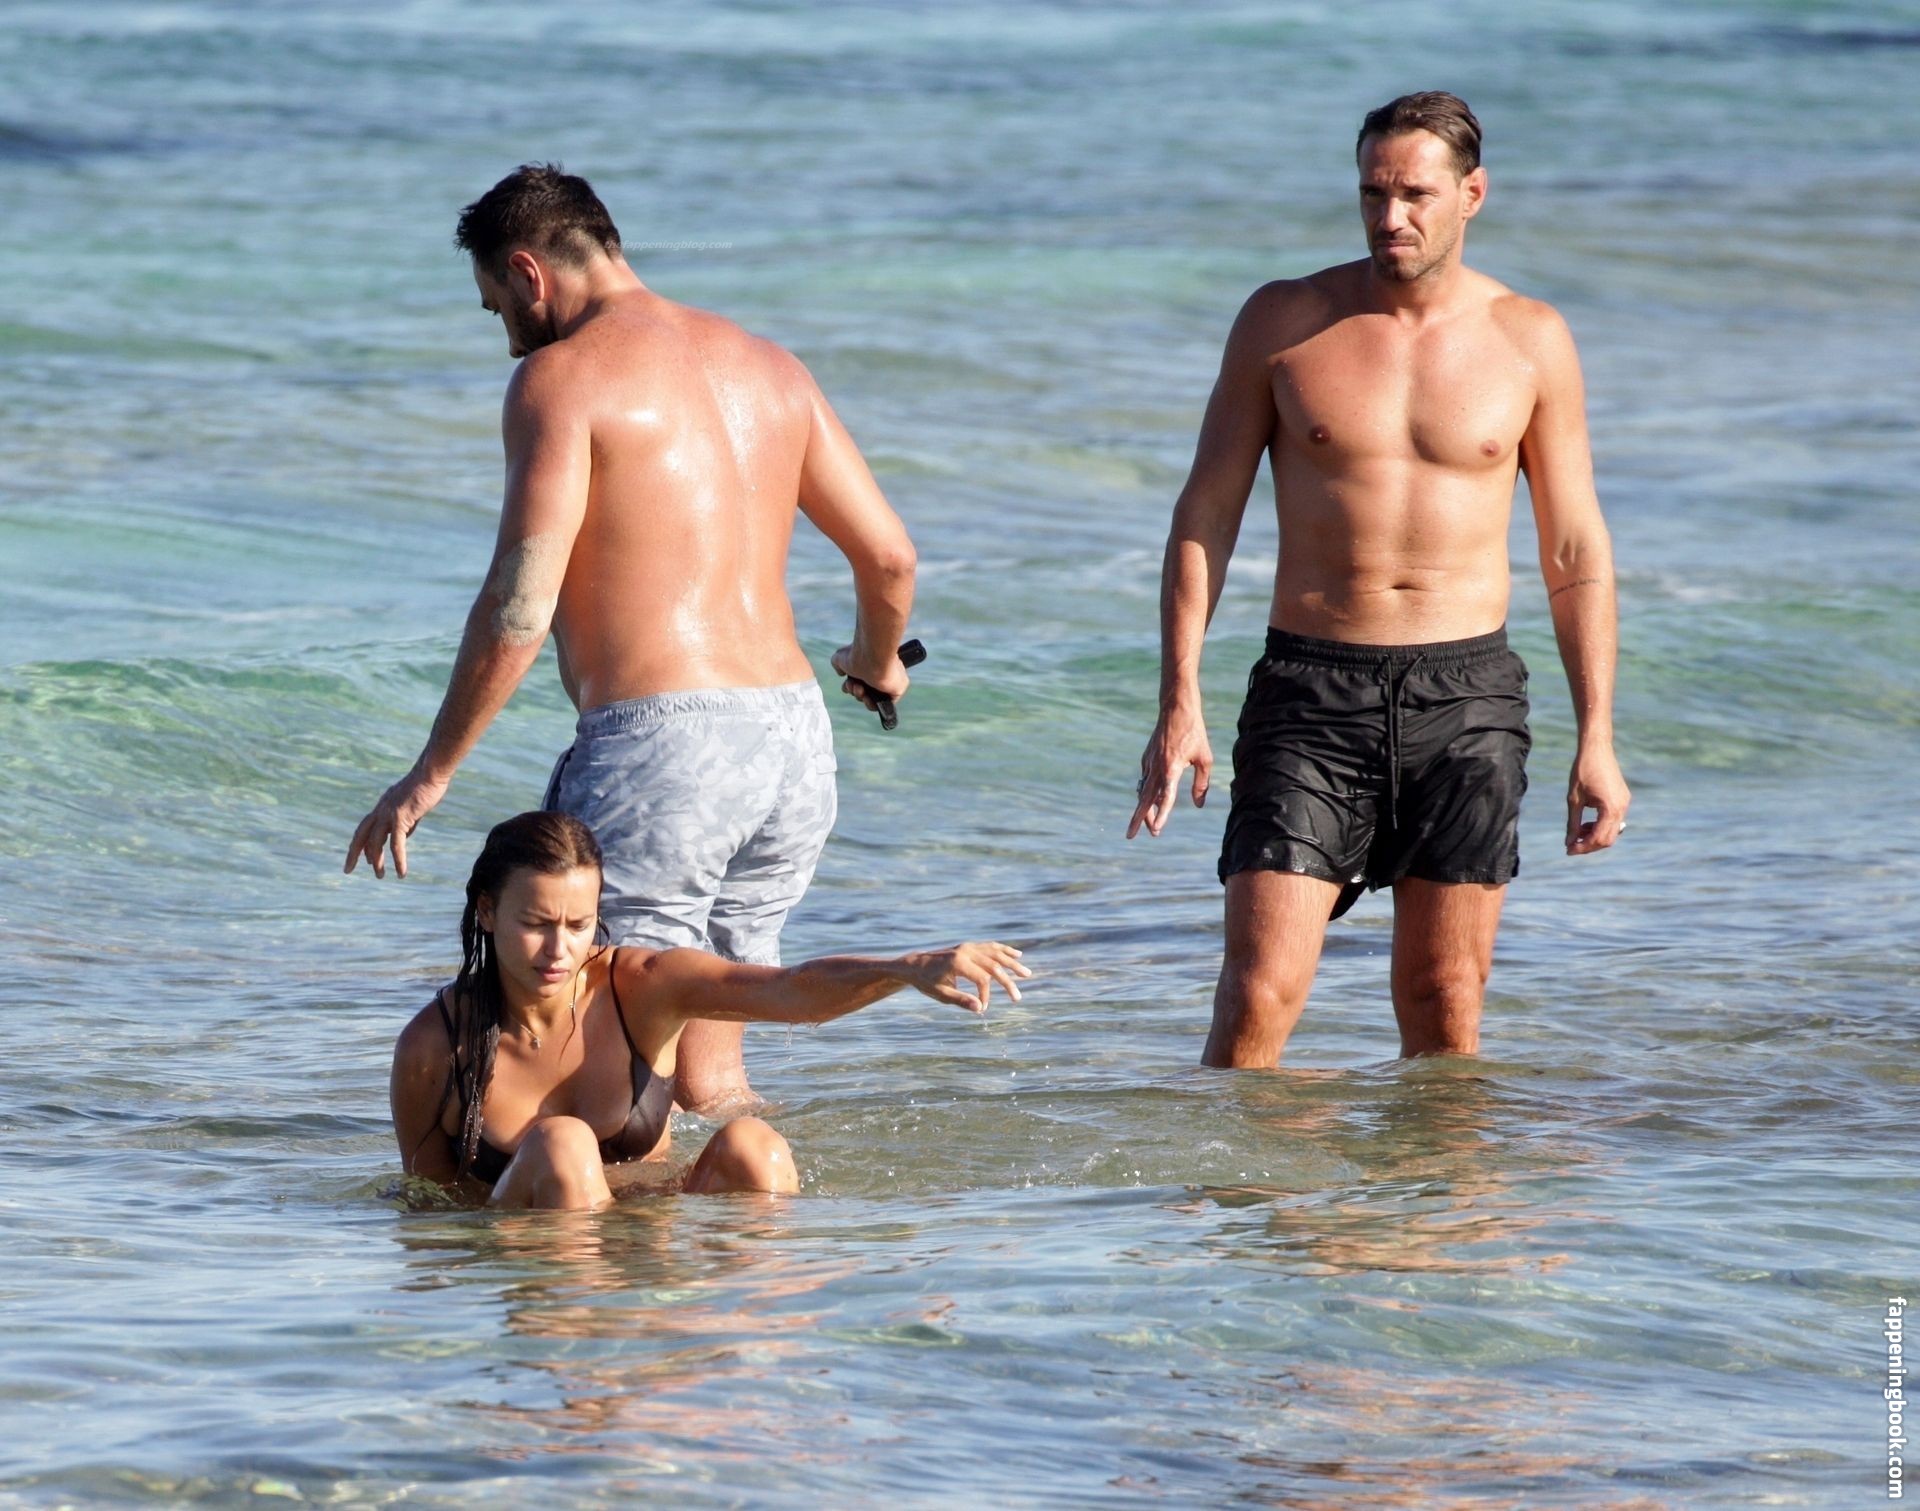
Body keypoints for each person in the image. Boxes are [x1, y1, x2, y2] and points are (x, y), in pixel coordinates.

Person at [345, 164, 919, 1112]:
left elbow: (519, 604)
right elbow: (890, 559)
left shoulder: (560, 380)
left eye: (496, 308)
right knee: (708, 1071)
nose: (506, 335)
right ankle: (757, 1201)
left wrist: (431, 772)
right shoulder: (771, 366)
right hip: (791, 745)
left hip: (665, 752)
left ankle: (613, 1217)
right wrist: (877, 659)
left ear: (528, 273)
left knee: (603, 1072)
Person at [1128, 91, 1630, 1066]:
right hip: (1311, 692)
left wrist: (1598, 737)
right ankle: (1234, 1173)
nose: (1389, 217)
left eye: (1414, 195)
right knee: (1257, 994)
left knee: (1445, 1001)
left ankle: (1431, 1175)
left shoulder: (1529, 337)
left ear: (1471, 194)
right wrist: (1179, 698)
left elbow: (1575, 549)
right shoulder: (1284, 321)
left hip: (1467, 696)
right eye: (1372, 193)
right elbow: (1205, 516)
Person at [391, 811, 1030, 1209]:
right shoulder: (433, 1048)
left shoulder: (642, 986)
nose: (560, 950)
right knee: (563, 1142)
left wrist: (904, 968)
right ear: (487, 911)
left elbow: (789, 990)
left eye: (579, 925)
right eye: (535, 924)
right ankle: (589, 1354)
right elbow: (430, 1208)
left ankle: (755, 1347)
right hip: (537, 1269)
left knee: (752, 1143)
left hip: (650, 1247)